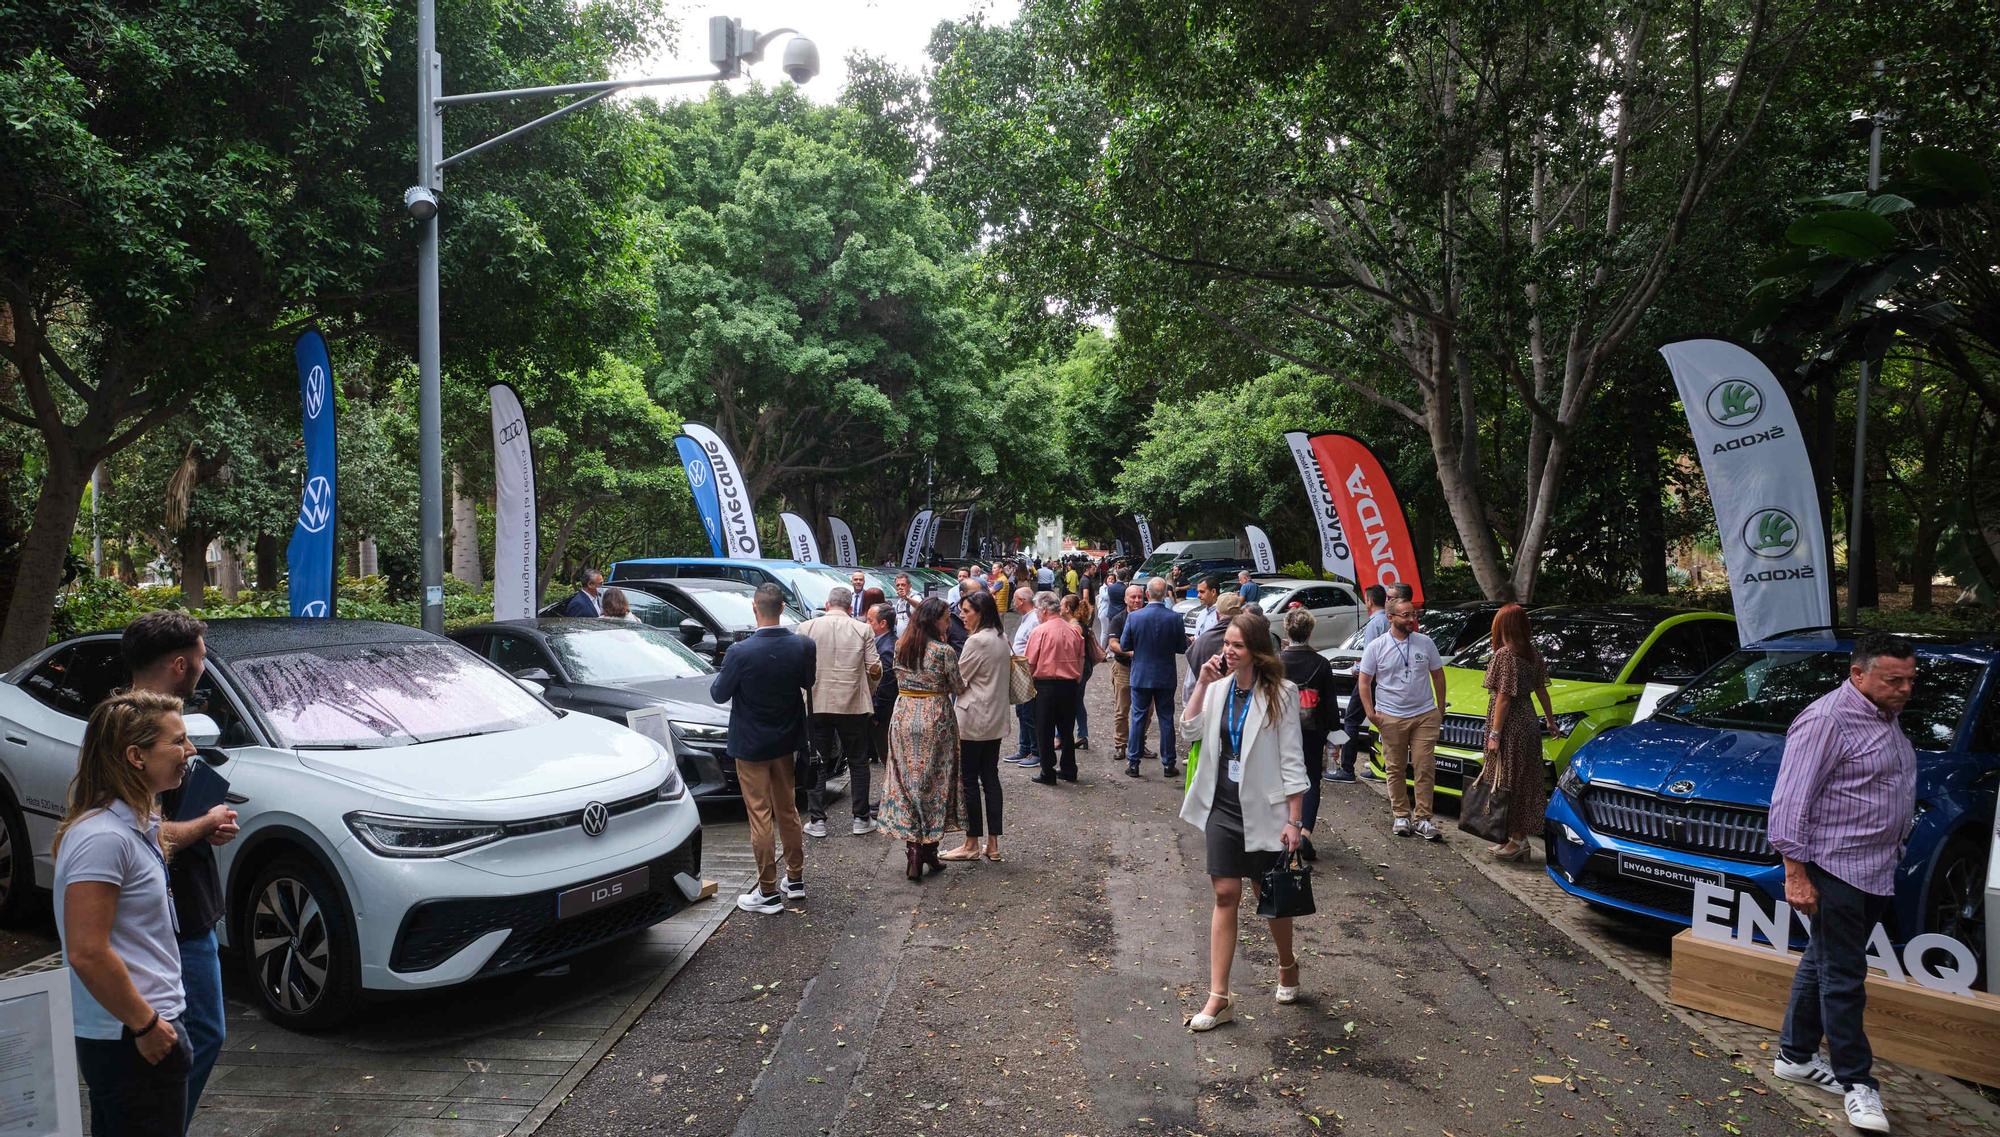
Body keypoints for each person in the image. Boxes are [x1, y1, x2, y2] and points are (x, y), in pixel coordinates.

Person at [1766, 634, 1917, 1135]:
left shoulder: (1883, 717)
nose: (1904, 689)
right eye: (1892, 680)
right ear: (1858, 674)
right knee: (1844, 976)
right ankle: (1859, 1084)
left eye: (1910, 680)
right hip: (1836, 868)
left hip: (1875, 868)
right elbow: (1790, 801)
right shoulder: (1826, 719)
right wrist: (1796, 874)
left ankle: (1794, 1056)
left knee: (1823, 960)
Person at [56, 691, 197, 1133]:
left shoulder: (133, 827)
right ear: (136, 756)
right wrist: (146, 1024)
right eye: (177, 742)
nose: (189, 752)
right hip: (131, 1035)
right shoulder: (103, 838)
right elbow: (87, 952)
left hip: (143, 1027)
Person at [123, 611, 236, 1125]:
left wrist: (202, 825)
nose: (204, 663)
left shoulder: (159, 720)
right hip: (163, 918)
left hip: (186, 906)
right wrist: (201, 824)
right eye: (201, 655)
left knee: (196, 1035)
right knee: (192, 1035)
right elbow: (135, 832)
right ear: (179, 663)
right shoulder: (126, 729)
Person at [1178, 611, 1311, 1032]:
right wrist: (1201, 683)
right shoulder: (1216, 690)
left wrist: (1295, 820)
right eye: (1226, 644)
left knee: (1267, 895)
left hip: (1265, 810)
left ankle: (1287, 963)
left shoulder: (1282, 694)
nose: (1228, 652)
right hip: (1222, 804)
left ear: (1255, 651)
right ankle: (1219, 996)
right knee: (1224, 892)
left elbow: (1292, 759)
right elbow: (1190, 731)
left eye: (1237, 645)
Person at [711, 584, 816, 914]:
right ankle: (795, 880)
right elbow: (807, 682)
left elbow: (718, 694)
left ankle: (768, 891)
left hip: (751, 743)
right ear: (782, 608)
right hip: (787, 740)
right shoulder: (803, 645)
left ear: (755, 608)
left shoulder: (740, 652)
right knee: (788, 810)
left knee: (760, 815)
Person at [880, 598, 965, 880]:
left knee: (906, 780)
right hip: (935, 716)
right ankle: (929, 847)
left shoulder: (902, 647)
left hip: (904, 714)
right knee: (935, 781)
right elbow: (957, 686)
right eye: (945, 617)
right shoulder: (944, 651)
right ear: (934, 620)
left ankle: (913, 850)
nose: (948, 622)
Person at [1356, 599, 1448, 840]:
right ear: (1391, 618)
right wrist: (1371, 713)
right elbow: (1364, 681)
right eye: (1406, 615)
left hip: (1424, 715)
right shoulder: (1377, 646)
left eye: (1413, 615)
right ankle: (1401, 814)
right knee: (1395, 767)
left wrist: (1440, 709)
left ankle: (1424, 818)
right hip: (1390, 715)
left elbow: (1438, 676)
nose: (1411, 619)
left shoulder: (1425, 643)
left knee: (1424, 766)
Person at [797, 586, 881, 838]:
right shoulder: (862, 629)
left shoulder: (806, 628)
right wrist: (868, 691)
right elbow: (875, 668)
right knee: (857, 761)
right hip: (852, 703)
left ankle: (818, 820)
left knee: (817, 761)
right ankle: (860, 818)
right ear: (848, 606)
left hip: (816, 703)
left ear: (826, 604)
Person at [1480, 604, 1556, 862]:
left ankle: (1516, 839)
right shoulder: (1532, 653)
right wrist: (1550, 721)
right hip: (1529, 722)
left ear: (1503, 626)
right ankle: (1515, 837)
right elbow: (1542, 691)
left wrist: (1494, 734)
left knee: (1506, 781)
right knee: (1524, 780)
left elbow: (1503, 698)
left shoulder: (1505, 655)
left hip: (1510, 724)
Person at [943, 591, 1010, 862]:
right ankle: (992, 844)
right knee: (990, 777)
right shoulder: (1001, 637)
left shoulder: (976, 642)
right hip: (994, 717)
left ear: (980, 612)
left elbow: (958, 680)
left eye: (967, 610)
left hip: (973, 719)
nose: (962, 615)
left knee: (969, 780)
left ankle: (971, 843)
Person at [1280, 609, 1338, 863]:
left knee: (1282, 778)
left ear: (1286, 630)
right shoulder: (1321, 664)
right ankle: (1305, 832)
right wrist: (1334, 734)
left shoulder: (1277, 661)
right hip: (1312, 729)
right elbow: (1330, 703)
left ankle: (1284, 828)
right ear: (1310, 632)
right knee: (1311, 779)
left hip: (1281, 729)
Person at [1123, 577, 1186, 778]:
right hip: (1165, 674)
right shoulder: (1174, 618)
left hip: (1141, 674)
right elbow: (1181, 648)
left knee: (1138, 717)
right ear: (1165, 593)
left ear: (1147, 594)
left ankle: (1133, 762)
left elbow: (1125, 645)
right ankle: (1168, 764)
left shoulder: (1134, 617)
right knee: (1166, 718)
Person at [1024, 592, 1084, 785]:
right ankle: (1068, 768)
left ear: (1043, 610)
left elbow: (1030, 662)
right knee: (1066, 729)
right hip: (1069, 685)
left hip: (1045, 686)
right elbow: (1081, 658)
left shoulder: (1040, 632)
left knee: (1044, 729)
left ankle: (1047, 771)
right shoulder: (1074, 630)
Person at [1337, 584, 1390, 783]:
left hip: (1370, 679)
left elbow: (1370, 657)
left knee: (1351, 720)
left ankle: (1347, 768)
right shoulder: (1388, 620)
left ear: (1368, 600)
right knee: (1383, 723)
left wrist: (1357, 669)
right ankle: (1381, 768)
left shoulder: (1374, 623)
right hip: (1385, 679)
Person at [1106, 585, 1147, 763]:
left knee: (1145, 710)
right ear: (1125, 599)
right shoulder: (1119, 618)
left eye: (1139, 597)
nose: (1137, 600)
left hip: (1145, 670)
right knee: (1122, 709)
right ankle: (1120, 745)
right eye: (1133, 597)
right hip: (1124, 668)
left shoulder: (1147, 617)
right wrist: (1130, 653)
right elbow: (1113, 643)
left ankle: (1139, 743)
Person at [1006, 585, 1042, 767]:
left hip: (1027, 672)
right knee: (1022, 711)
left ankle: (1036, 751)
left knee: (1029, 713)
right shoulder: (1027, 618)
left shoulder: (1034, 620)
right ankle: (1024, 747)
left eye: (1014, 599)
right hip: (1020, 670)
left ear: (1021, 601)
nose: (1012, 603)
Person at [1185, 592, 1243, 701]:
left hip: (1206, 702)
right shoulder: (1249, 637)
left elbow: (1190, 684)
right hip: (1241, 703)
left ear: (1217, 614)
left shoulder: (1202, 640)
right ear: (1240, 613)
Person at [1066, 591, 1102, 750]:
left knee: (1072, 701)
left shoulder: (1075, 627)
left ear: (1067, 608)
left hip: (1079, 667)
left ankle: (1078, 735)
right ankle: (1082, 734)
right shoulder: (1080, 624)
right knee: (1077, 701)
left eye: (1062, 605)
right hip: (1084, 666)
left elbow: (1075, 652)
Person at [866, 603, 899, 772]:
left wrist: (877, 713)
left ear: (883, 623)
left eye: (870, 620)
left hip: (884, 714)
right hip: (885, 712)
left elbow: (885, 684)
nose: (866, 624)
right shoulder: (883, 643)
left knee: (888, 757)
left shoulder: (887, 648)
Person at [1188, 574, 1221, 642]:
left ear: (1213, 592)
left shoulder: (1222, 615)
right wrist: (1193, 639)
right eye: (1198, 592)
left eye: (1202, 592)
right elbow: (1198, 636)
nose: (1198, 595)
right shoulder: (1202, 613)